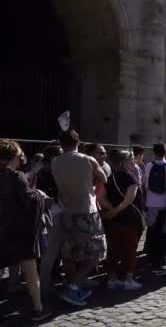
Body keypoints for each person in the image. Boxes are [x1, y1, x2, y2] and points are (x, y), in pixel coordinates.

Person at [52, 130, 107, 307]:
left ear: (61, 144)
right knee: (96, 252)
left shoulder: (55, 161)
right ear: (78, 142)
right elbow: (103, 177)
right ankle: (73, 286)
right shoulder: (87, 159)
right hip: (86, 211)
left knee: (69, 252)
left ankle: (72, 283)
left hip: (66, 210)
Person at [0, 140, 52, 321]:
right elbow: (30, 201)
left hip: (3, 229)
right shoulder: (16, 177)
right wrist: (40, 195)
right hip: (18, 231)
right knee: (30, 271)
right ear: (14, 156)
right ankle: (38, 309)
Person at [100, 150, 145, 290]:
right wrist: (117, 209)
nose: (134, 161)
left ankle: (112, 278)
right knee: (130, 249)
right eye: (131, 158)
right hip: (130, 218)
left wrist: (112, 210)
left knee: (113, 249)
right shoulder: (131, 178)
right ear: (123, 162)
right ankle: (128, 279)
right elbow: (129, 199)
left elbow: (101, 198)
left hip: (113, 220)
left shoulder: (109, 178)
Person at [143, 143, 166, 270]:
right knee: (165, 232)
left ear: (154, 153)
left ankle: (151, 256)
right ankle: (162, 258)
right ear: (165, 152)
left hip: (151, 203)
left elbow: (145, 185)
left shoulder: (149, 166)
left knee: (152, 230)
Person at [37, 145, 63, 296]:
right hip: (51, 212)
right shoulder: (48, 171)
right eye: (59, 154)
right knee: (51, 249)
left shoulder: (48, 169)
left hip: (51, 211)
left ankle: (48, 279)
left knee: (52, 249)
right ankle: (45, 283)